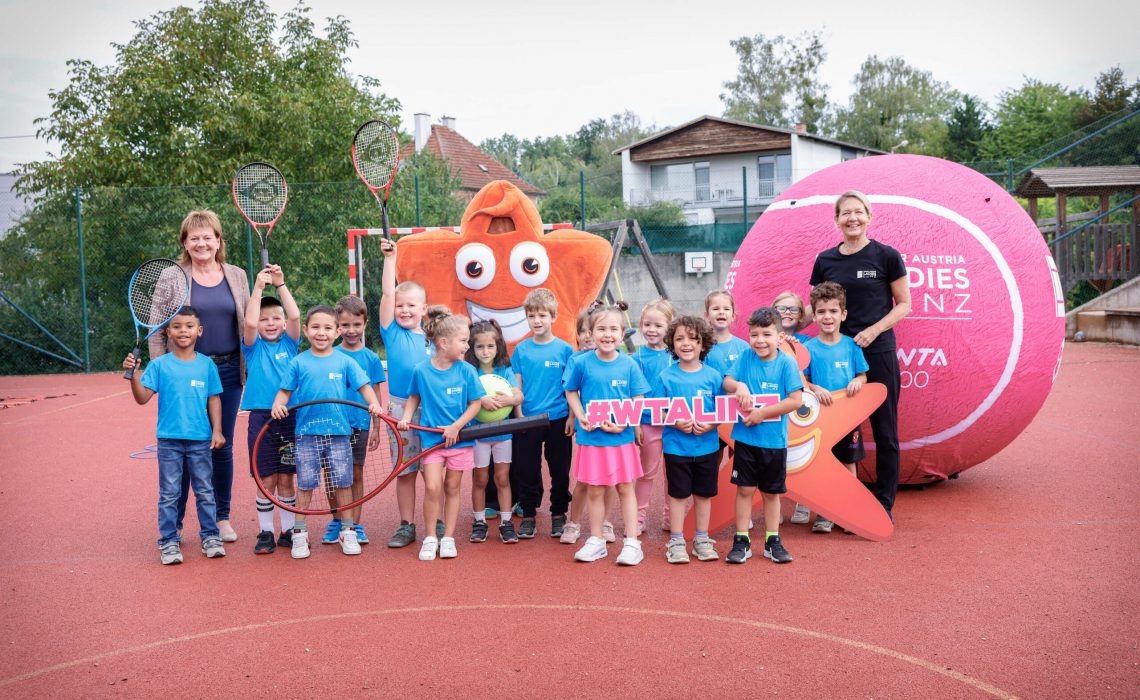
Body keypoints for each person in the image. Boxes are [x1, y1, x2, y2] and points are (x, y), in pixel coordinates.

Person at [150, 210, 250, 543]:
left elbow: (248, 325)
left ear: (219, 240)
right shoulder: (171, 277)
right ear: (184, 243)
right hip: (184, 373)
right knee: (181, 445)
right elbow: (156, 330)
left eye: (208, 236)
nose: (202, 243)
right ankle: (175, 524)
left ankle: (221, 518)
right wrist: (162, 372)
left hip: (228, 371)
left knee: (221, 445)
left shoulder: (236, 275)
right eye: (194, 237)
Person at [810, 191, 911, 519]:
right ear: (836, 219)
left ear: (869, 216)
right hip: (836, 357)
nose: (852, 218)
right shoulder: (825, 260)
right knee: (831, 430)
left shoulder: (887, 256)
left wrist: (873, 331)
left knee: (885, 431)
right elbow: (816, 307)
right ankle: (833, 503)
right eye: (845, 213)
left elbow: (905, 305)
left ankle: (883, 505)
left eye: (858, 212)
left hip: (877, 351)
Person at [271, 305, 384, 559]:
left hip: (339, 433)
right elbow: (285, 392)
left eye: (327, 328)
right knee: (307, 483)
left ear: (336, 332)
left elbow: (365, 387)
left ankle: (347, 529)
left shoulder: (345, 361)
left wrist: (373, 403)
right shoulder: (298, 362)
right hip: (307, 434)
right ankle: (299, 533)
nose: (321, 333)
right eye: (316, 327)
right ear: (306, 330)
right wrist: (278, 404)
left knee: (343, 482)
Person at [124, 305, 225, 565]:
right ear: (168, 331)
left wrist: (217, 430)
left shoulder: (207, 366)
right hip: (169, 441)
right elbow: (142, 398)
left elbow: (214, 399)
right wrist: (134, 376)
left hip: (200, 439)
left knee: (204, 490)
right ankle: (169, 540)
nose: (183, 331)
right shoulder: (159, 366)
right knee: (169, 493)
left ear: (199, 331)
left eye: (189, 326)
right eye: (177, 326)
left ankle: (210, 535)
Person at [563, 301, 650, 566]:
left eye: (614, 329)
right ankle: (597, 540)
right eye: (601, 329)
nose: (607, 334)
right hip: (591, 438)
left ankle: (633, 543)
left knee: (625, 488)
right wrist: (580, 415)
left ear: (622, 333)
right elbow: (571, 392)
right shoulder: (581, 363)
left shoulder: (630, 365)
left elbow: (638, 399)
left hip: (621, 439)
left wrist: (625, 423)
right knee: (595, 490)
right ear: (590, 332)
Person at [398, 307, 484, 561]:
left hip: (459, 440)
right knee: (433, 487)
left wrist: (456, 427)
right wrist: (405, 417)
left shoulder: (467, 371)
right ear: (443, 342)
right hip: (432, 442)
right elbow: (414, 396)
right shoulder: (421, 370)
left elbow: (476, 404)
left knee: (452, 487)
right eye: (463, 341)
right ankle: (429, 537)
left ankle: (448, 537)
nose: (467, 346)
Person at [722, 307, 804, 565]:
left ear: (779, 337)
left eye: (766, 334)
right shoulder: (746, 357)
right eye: (754, 334)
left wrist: (762, 413)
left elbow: (795, 401)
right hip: (746, 440)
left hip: (774, 442)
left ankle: (772, 540)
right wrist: (740, 385)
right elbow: (727, 382)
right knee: (744, 490)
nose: (759, 340)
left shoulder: (787, 363)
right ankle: (742, 540)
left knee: (771, 493)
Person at [651, 315, 724, 563]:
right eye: (679, 338)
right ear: (671, 343)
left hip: (707, 446)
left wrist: (711, 423)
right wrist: (674, 420)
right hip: (676, 447)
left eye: (693, 339)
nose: (686, 343)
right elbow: (656, 410)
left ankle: (702, 539)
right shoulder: (665, 377)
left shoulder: (714, 376)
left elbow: (723, 410)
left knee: (703, 495)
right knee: (678, 495)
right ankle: (677, 540)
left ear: (703, 344)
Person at [798, 282, 869, 533]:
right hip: (819, 420)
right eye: (821, 311)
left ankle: (848, 513)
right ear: (814, 316)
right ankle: (825, 514)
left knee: (848, 465)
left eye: (833, 311)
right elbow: (801, 380)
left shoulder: (852, 346)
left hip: (848, 419)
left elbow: (863, 376)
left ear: (843, 314)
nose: (827, 316)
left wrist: (856, 382)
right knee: (821, 466)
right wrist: (815, 388)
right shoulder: (808, 348)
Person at [240, 265, 301, 555]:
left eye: (276, 318)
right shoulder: (252, 347)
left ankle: (289, 531)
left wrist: (281, 284)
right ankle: (265, 532)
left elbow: (295, 315)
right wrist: (259, 288)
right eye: (265, 319)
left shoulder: (290, 344)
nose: (271, 323)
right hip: (262, 418)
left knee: (287, 477)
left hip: (289, 417)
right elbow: (249, 323)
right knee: (266, 478)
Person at [377, 238, 434, 548]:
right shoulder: (392, 332)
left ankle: (436, 522)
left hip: (434, 410)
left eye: (411, 305)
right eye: (400, 305)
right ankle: (406, 524)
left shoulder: (436, 338)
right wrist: (391, 259)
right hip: (400, 412)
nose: (404, 310)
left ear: (424, 309)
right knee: (406, 471)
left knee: (434, 472)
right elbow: (388, 292)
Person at [511, 288, 575, 540]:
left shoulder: (565, 350)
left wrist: (571, 416)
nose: (537, 321)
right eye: (531, 316)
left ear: (553, 317)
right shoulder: (521, 350)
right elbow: (517, 386)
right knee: (526, 468)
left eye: (542, 315)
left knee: (560, 468)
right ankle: (528, 513)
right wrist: (518, 416)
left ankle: (559, 513)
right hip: (528, 418)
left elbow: (570, 387)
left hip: (558, 418)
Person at [330, 295, 389, 547]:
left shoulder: (371, 358)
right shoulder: (329, 354)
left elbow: (376, 394)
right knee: (332, 474)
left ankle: (354, 523)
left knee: (355, 472)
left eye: (357, 324)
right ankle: (335, 521)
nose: (351, 330)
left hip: (359, 423)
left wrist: (377, 426)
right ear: (337, 326)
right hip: (332, 424)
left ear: (365, 324)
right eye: (345, 325)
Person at [561, 306, 618, 546]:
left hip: (614, 428)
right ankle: (573, 522)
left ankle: (605, 521)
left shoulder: (616, 359)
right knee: (585, 479)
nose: (587, 335)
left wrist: (631, 425)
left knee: (611, 479)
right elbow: (572, 392)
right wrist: (574, 416)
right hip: (588, 427)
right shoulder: (577, 360)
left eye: (590, 330)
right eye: (583, 331)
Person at [465, 319, 523, 544]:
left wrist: (510, 398)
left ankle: (506, 523)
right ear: (472, 348)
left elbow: (519, 395)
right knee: (480, 479)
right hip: (477, 434)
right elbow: (464, 395)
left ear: (498, 346)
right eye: (480, 346)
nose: (485, 351)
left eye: (490, 346)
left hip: (502, 434)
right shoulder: (468, 371)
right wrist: (481, 400)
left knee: (502, 478)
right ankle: (479, 522)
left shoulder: (505, 370)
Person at [631, 298, 675, 534]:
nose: (652, 330)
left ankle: (670, 517)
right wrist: (636, 422)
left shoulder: (676, 355)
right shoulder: (635, 359)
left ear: (669, 326)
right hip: (648, 424)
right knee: (647, 473)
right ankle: (638, 518)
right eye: (647, 324)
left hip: (674, 425)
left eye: (658, 325)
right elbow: (632, 395)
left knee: (674, 473)